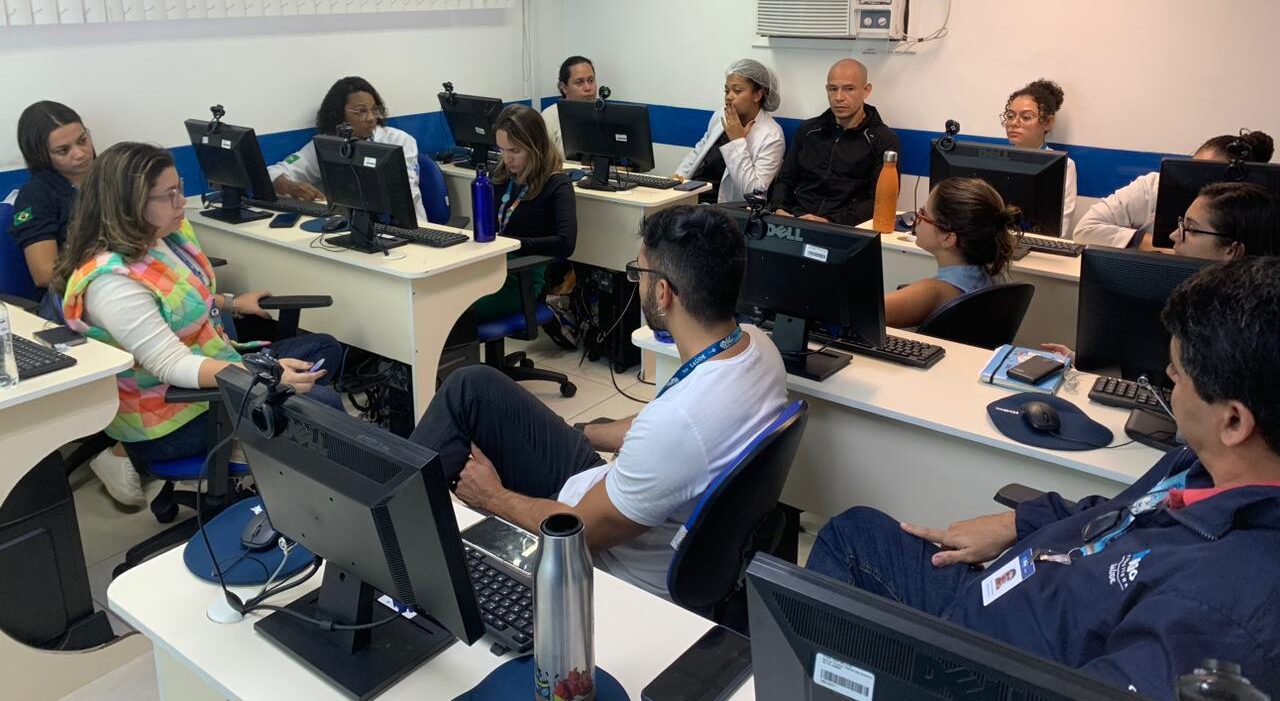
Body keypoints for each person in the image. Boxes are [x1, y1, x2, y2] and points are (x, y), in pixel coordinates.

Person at [808, 256, 1280, 699]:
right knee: (855, 534)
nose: (1167, 386)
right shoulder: (1204, 468)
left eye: (1177, 378)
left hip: (986, 662)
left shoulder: (1223, 615)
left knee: (824, 588)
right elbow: (1121, 516)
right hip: (1013, 593)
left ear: (1234, 422)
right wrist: (1020, 524)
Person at [410, 205, 787, 598]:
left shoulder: (677, 427)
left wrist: (493, 496)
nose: (636, 284)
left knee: (459, 415)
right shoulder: (756, 347)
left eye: (638, 274)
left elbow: (576, 534)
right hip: (611, 491)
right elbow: (661, 429)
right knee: (472, 386)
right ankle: (403, 516)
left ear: (662, 293)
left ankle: (395, 539)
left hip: (598, 554)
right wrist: (582, 433)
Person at [52, 143, 345, 507]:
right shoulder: (112, 283)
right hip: (171, 414)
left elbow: (179, 297)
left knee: (323, 350)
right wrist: (265, 377)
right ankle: (314, 505)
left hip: (215, 368)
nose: (181, 202)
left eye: (180, 188)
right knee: (323, 410)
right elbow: (172, 365)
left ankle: (270, 459)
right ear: (128, 204)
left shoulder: (160, 237)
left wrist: (232, 303)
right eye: (169, 194)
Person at [1042, 182, 1280, 361]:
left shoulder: (1249, 330)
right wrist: (1083, 360)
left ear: (1233, 250)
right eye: (1181, 225)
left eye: (1191, 230)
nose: (1174, 236)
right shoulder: (1189, 296)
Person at [1073, 131, 1275, 248]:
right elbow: (1085, 229)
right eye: (1193, 171)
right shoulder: (1153, 187)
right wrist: (1152, 245)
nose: (1198, 184)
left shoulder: (1256, 214)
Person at [266, 76, 427, 222]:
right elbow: (273, 172)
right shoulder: (328, 146)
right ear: (339, 114)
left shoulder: (399, 141)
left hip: (403, 227)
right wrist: (288, 185)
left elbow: (406, 194)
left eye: (374, 110)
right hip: (349, 229)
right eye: (361, 111)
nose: (371, 118)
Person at [472, 104, 577, 322]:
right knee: (439, 298)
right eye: (501, 149)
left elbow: (566, 243)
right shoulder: (500, 177)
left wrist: (513, 243)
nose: (506, 158)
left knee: (456, 309)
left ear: (536, 147)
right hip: (488, 268)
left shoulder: (557, 184)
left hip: (521, 277)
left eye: (515, 151)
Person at [768, 59, 899, 226]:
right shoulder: (808, 131)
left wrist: (829, 221)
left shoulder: (883, 140)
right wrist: (780, 210)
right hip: (796, 220)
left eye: (849, 89)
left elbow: (880, 201)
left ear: (866, 91)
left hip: (844, 229)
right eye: (833, 89)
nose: (839, 97)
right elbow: (785, 180)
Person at [886, 178, 1016, 328]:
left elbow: (860, 315)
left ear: (948, 238)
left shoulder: (934, 292)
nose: (917, 219)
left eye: (923, 213)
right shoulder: (996, 274)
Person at [9, 101, 95, 318]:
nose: (80, 153)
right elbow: (45, 273)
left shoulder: (111, 173)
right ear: (42, 155)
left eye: (83, 140)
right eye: (63, 150)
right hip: (72, 294)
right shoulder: (37, 195)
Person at [674, 59, 785, 204]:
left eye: (737, 91)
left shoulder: (772, 136)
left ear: (757, 95)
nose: (729, 96)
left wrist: (737, 142)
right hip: (693, 195)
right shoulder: (721, 115)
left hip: (724, 209)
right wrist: (675, 179)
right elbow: (698, 152)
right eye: (727, 90)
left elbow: (754, 193)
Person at [1002, 79, 1076, 236]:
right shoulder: (996, 160)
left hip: (1037, 245)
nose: (1014, 123)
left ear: (1048, 123)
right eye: (1010, 116)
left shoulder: (1064, 165)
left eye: (1026, 117)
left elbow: (1060, 227)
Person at [541, 56, 598, 158]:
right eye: (579, 82)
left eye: (591, 80)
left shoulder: (606, 113)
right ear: (564, 88)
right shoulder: (550, 116)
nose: (588, 88)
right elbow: (541, 160)